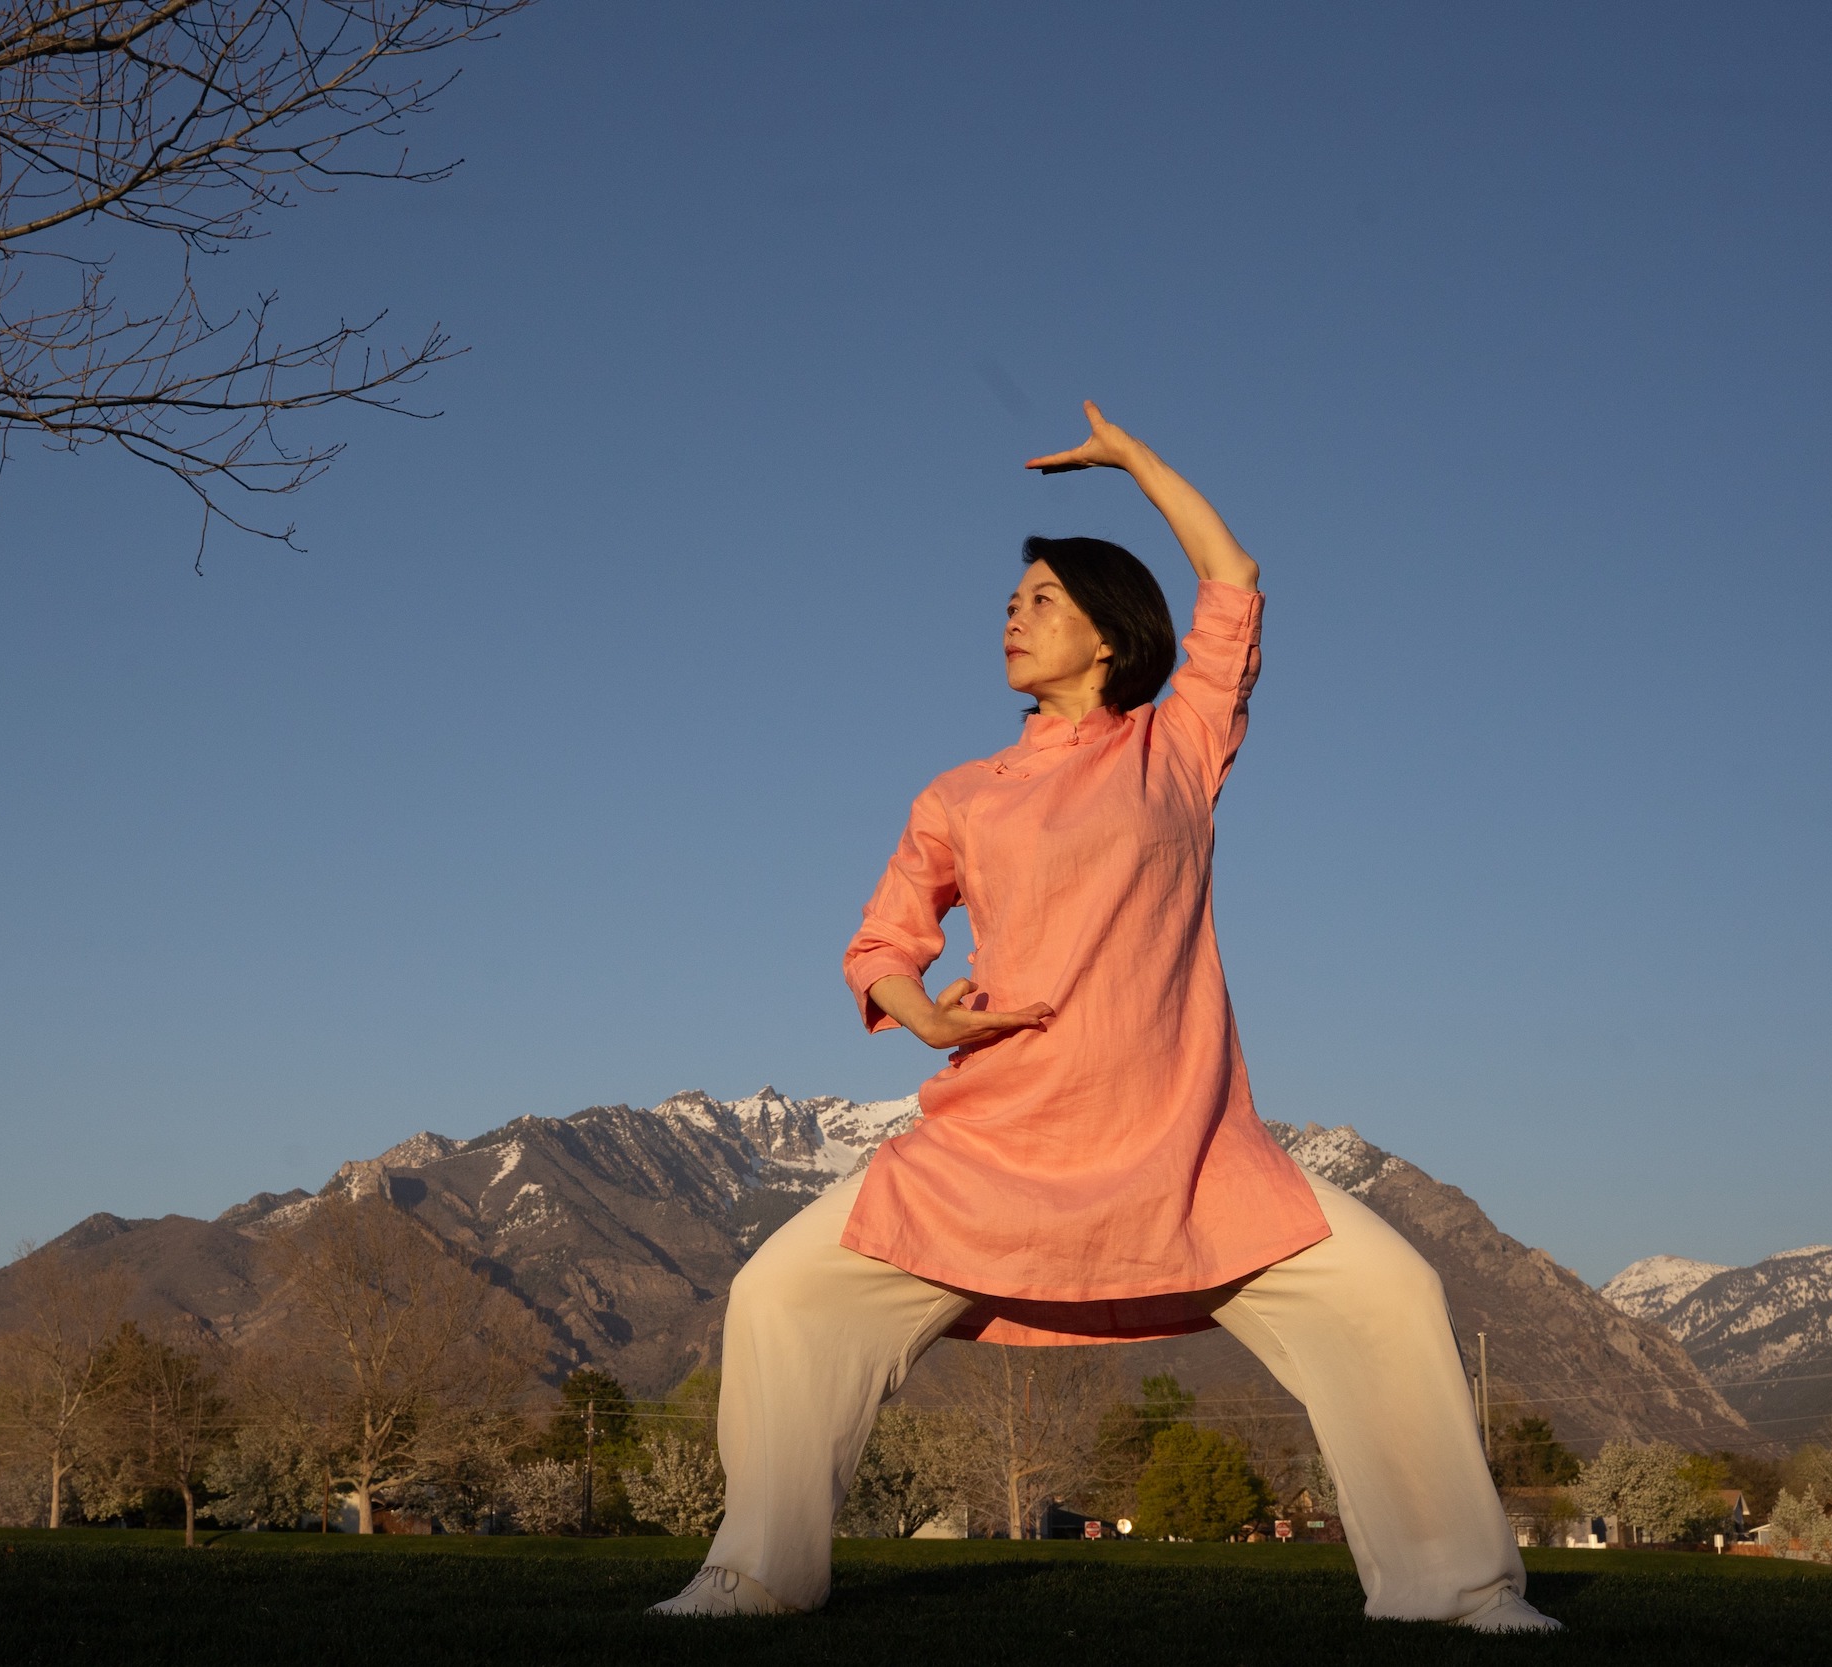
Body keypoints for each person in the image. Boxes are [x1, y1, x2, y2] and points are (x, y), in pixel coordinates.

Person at [650, 403, 1556, 1633]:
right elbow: (883, 941)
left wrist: (1132, 461)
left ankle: (1458, 1588)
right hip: (993, 1145)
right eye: (1010, 600)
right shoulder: (961, 793)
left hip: (1189, 1151)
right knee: (778, 1296)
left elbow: (1232, 577)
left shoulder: (1177, 747)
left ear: (1108, 634)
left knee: (1390, 1294)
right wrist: (923, 1017)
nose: (1011, 615)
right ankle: (755, 1572)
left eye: (1040, 599)